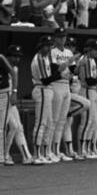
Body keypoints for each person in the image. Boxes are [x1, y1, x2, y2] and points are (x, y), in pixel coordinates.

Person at [30, 35, 58, 164]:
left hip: (47, 90)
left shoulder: (46, 58)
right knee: (41, 122)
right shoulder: (39, 58)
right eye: (46, 45)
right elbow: (45, 80)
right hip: (41, 89)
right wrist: (59, 74)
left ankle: (45, 153)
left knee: (49, 122)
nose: (48, 48)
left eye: (50, 45)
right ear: (41, 46)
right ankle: (36, 154)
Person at [49, 27, 75, 162]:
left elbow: (73, 70)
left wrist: (70, 68)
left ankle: (57, 150)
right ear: (55, 38)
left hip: (66, 86)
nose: (62, 39)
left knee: (62, 120)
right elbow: (54, 70)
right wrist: (67, 65)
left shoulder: (69, 52)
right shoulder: (52, 51)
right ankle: (49, 150)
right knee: (54, 119)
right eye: (59, 36)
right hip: (56, 85)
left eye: (63, 36)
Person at [0, 45, 18, 164]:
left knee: (1, 127)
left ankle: (2, 156)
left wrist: (14, 92)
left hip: (4, 93)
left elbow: (13, 73)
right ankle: (5, 154)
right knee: (12, 126)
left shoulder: (0, 57)